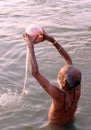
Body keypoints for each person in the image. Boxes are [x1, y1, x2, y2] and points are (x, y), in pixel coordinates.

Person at [23, 31, 82, 126]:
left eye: (60, 73)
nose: (58, 73)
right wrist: (52, 40)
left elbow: (35, 73)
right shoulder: (77, 86)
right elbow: (68, 60)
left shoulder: (58, 95)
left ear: (63, 83)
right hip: (71, 121)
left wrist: (30, 46)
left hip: (56, 127)